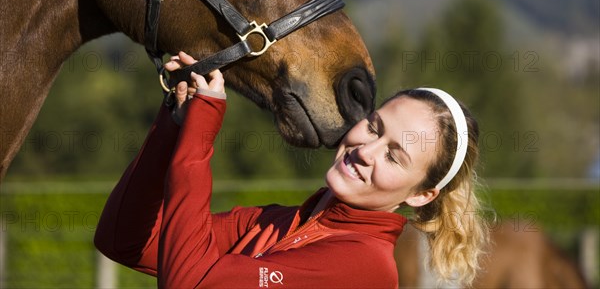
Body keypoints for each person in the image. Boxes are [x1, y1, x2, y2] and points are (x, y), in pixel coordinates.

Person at [94, 52, 488, 288]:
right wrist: (174, 125)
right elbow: (125, 240)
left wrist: (201, 132)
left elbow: (189, 283)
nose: (366, 151)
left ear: (420, 195)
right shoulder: (277, 223)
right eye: (373, 127)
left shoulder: (364, 266)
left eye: (394, 156)